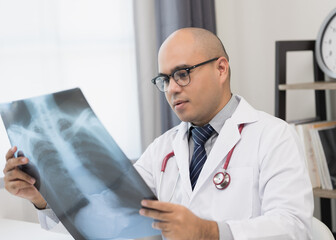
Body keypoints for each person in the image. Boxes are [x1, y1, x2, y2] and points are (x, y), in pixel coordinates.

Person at [3, 27, 314, 239]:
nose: (172, 88)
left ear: (221, 69)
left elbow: (295, 226)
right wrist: (45, 199)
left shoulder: (274, 136)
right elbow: (112, 215)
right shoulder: (163, 149)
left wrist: (210, 232)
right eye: (164, 79)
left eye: (182, 73)